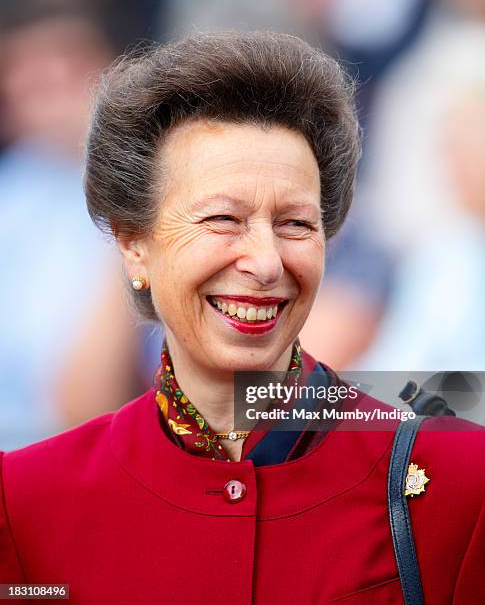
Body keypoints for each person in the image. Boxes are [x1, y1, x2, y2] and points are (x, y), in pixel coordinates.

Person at [0, 32, 483, 603]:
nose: (265, 262)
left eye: (296, 224)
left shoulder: (458, 479)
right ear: (134, 246)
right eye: (222, 219)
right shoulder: (27, 499)